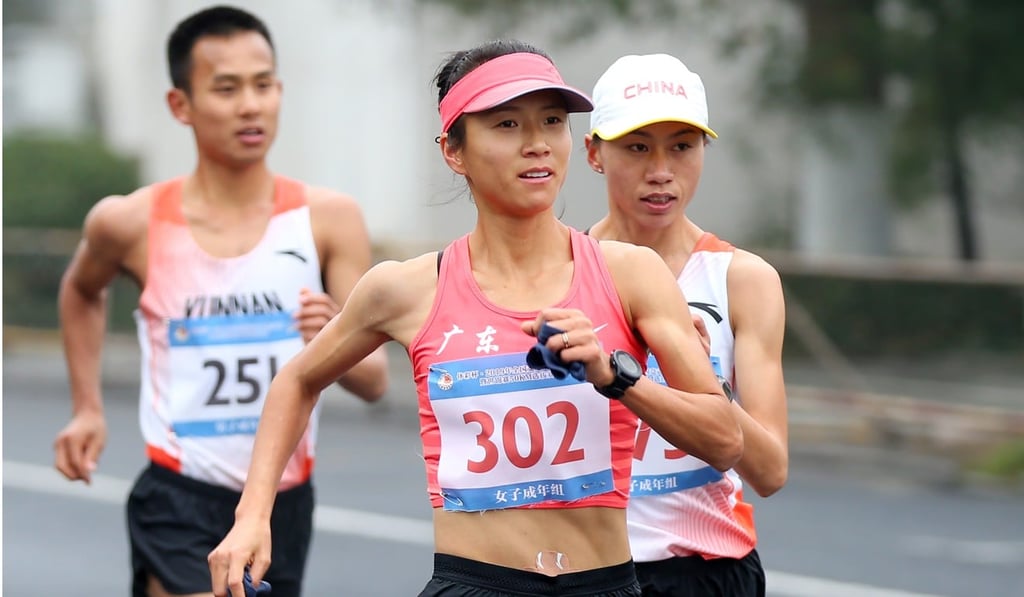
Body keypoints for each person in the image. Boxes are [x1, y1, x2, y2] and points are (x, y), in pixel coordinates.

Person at [207, 39, 743, 597]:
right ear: (453, 150)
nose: (537, 144)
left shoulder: (632, 274)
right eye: (507, 124)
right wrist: (252, 515)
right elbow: (297, 380)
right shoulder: (405, 289)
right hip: (472, 584)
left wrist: (615, 376)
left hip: (603, 583)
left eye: (552, 121)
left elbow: (725, 441)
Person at [52, 6, 389, 597]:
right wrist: (87, 407)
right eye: (227, 89)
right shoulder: (129, 222)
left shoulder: (329, 220)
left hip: (284, 499)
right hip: (179, 493)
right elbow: (82, 290)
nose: (250, 105)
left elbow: (374, 381)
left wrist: (335, 336)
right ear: (180, 104)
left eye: (263, 85)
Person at [585, 53, 789, 596]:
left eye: (682, 146)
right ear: (594, 153)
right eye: (637, 147)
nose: (661, 170)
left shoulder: (742, 278)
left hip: (707, 570)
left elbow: (770, 472)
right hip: (588, 570)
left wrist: (701, 381)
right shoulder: (561, 272)